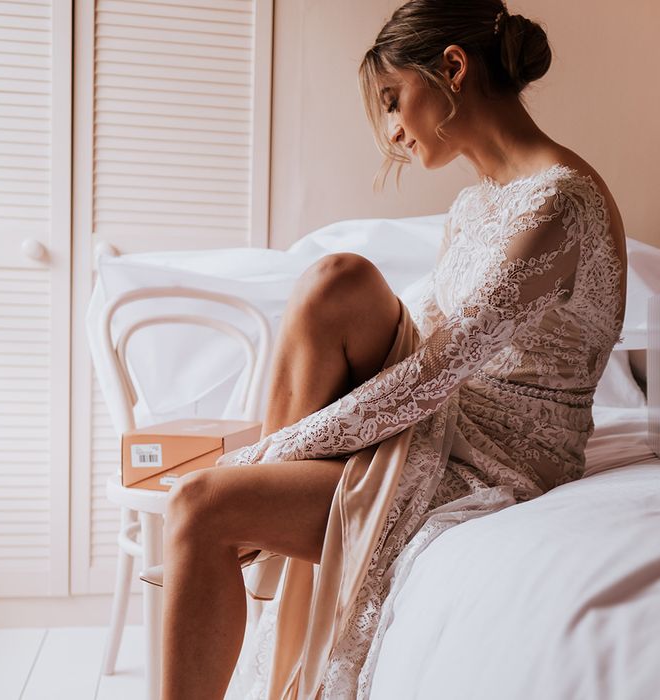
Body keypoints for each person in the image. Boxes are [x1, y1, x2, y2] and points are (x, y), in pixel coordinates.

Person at [159, 0, 627, 698]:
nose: (393, 130)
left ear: (454, 69)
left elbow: (432, 377)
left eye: (393, 100)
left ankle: (245, 504)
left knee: (200, 502)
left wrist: (261, 456)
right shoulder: (478, 204)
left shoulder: (560, 204)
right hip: (440, 418)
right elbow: (420, 335)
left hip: (495, 453)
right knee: (335, 279)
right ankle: (252, 508)